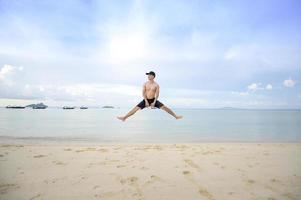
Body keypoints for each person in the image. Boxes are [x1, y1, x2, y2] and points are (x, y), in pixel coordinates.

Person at [117, 71, 183, 121]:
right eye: (148, 75)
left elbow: (157, 95)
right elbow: (143, 93)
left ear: (153, 76)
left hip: (153, 100)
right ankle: (124, 117)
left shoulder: (156, 85)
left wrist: (154, 102)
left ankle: (176, 116)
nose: (148, 76)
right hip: (146, 99)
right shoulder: (145, 84)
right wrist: (146, 101)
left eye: (149, 75)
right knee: (135, 109)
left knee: (165, 108)